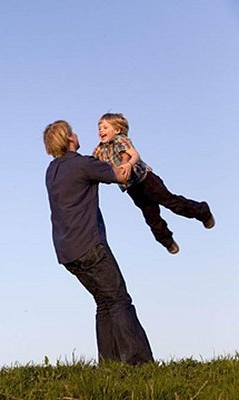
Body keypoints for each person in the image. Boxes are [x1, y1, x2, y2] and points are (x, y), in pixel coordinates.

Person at [44, 120, 153, 365]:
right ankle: (139, 363)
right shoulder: (83, 164)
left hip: (67, 252)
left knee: (104, 302)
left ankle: (110, 363)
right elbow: (122, 174)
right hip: (90, 246)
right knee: (119, 299)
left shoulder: (51, 171)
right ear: (69, 139)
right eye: (72, 131)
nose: (77, 133)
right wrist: (131, 157)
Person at [92, 113, 215, 254]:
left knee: (172, 203)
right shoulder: (99, 150)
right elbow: (93, 165)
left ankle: (203, 212)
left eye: (105, 127)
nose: (101, 130)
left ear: (117, 130)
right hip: (133, 188)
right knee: (151, 216)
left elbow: (134, 154)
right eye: (99, 128)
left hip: (147, 180)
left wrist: (129, 164)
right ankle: (167, 241)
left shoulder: (121, 140)